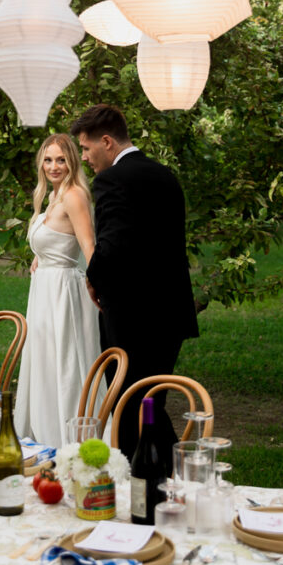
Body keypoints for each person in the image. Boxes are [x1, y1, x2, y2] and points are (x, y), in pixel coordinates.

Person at [70, 104, 198, 464]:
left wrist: (93, 279)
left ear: (107, 142)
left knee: (128, 409)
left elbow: (111, 244)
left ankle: (136, 486)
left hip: (132, 315)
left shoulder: (112, 180)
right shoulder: (165, 175)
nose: (85, 157)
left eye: (86, 148)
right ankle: (176, 476)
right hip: (170, 314)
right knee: (151, 403)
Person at [14, 133, 102, 449]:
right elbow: (56, 237)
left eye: (61, 160)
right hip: (44, 290)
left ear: (72, 162)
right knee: (44, 360)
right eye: (49, 160)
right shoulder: (51, 196)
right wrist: (42, 255)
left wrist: (99, 285)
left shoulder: (74, 195)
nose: (54, 166)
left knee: (64, 362)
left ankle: (69, 439)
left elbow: (88, 245)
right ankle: (43, 432)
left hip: (64, 293)